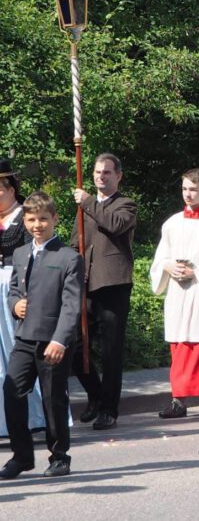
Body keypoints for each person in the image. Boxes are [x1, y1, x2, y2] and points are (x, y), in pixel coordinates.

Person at [1, 192, 83, 479]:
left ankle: (60, 456)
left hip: (53, 340)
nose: (38, 225)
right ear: (24, 221)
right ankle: (21, 456)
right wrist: (14, 304)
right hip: (24, 338)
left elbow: (72, 305)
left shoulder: (69, 256)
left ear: (55, 219)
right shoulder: (21, 254)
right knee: (12, 392)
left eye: (43, 219)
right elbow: (13, 290)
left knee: (52, 399)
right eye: (32, 219)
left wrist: (60, 340)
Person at [149, 169, 199, 419]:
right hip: (178, 291)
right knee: (181, 343)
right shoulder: (172, 222)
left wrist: (196, 272)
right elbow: (162, 255)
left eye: (193, 189)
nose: (188, 194)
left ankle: (179, 401)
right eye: (184, 189)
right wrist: (167, 266)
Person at [71, 153, 136, 431]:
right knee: (74, 346)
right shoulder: (85, 207)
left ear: (118, 175)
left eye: (107, 172)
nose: (100, 176)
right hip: (84, 284)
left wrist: (87, 202)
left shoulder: (126, 205)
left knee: (110, 351)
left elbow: (115, 225)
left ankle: (109, 409)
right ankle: (95, 396)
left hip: (112, 285)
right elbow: (76, 242)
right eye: (97, 172)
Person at [0, 161, 47, 438]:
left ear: (10, 189)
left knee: (21, 351)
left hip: (17, 286)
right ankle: (6, 423)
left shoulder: (25, 217)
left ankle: (37, 417)